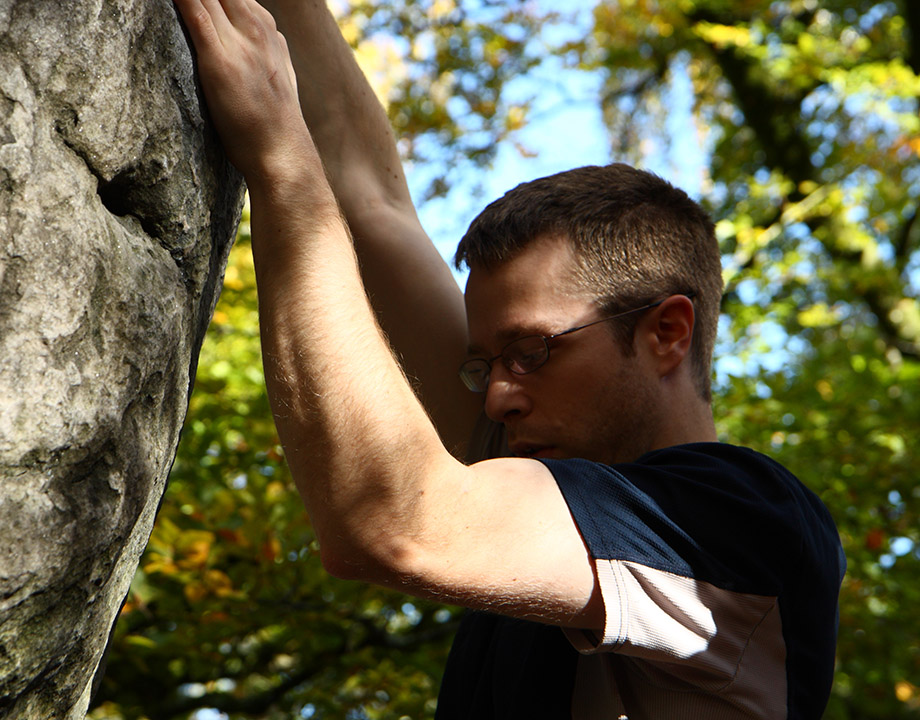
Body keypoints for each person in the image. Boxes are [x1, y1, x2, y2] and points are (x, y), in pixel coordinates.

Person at [169, 0, 846, 717]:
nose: (497, 397)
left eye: (530, 353)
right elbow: (369, 200)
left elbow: (397, 520)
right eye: (483, 364)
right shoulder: (542, 470)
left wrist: (278, 158)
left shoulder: (736, 521)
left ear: (667, 333)